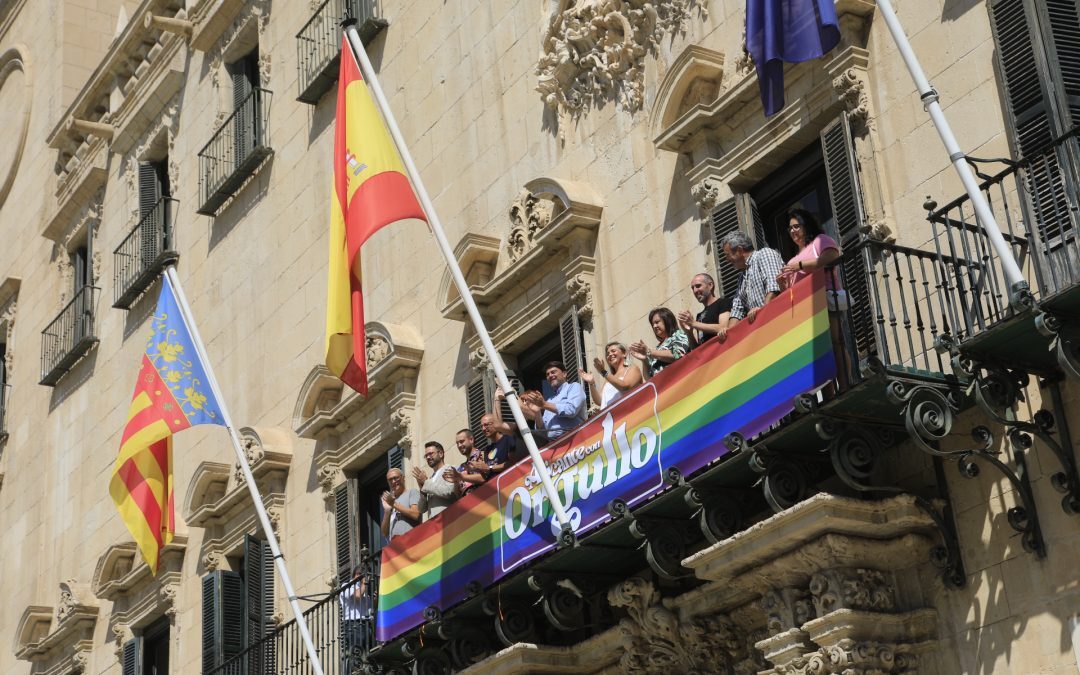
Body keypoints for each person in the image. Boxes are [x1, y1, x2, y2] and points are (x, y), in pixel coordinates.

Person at [777, 208, 848, 389]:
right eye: (790, 228)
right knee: (819, 353)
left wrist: (799, 266)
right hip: (806, 310)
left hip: (825, 300)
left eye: (796, 226)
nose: (793, 231)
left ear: (806, 226)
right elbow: (791, 293)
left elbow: (831, 256)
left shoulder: (821, 241)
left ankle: (846, 384)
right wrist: (782, 285)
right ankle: (830, 393)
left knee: (835, 343)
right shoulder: (794, 259)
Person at [718, 231, 784, 338]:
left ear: (739, 250)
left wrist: (762, 311)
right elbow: (737, 310)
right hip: (764, 330)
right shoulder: (742, 278)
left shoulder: (764, 254)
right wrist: (728, 331)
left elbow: (774, 288)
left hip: (779, 320)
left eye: (727, 255)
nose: (727, 260)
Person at [520, 361, 586, 443]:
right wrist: (537, 413)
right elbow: (544, 433)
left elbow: (571, 410)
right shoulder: (550, 400)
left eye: (553, 372)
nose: (550, 375)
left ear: (564, 374)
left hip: (576, 440)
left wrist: (544, 404)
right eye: (547, 374)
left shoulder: (574, 387)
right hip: (555, 446)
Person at [579, 341, 643, 409]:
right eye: (607, 354)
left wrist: (603, 372)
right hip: (613, 417)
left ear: (624, 353)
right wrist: (591, 383)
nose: (609, 354)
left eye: (613, 351)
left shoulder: (632, 368)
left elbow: (625, 386)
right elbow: (600, 401)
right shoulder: (609, 379)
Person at [630, 308, 690, 378]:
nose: (654, 326)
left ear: (667, 321)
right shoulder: (657, 349)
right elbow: (648, 378)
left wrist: (649, 351)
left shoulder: (678, 335)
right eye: (652, 324)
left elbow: (678, 354)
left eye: (657, 322)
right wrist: (645, 360)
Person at [677, 273, 732, 349]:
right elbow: (696, 349)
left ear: (710, 285)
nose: (695, 291)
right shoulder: (699, 316)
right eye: (692, 288)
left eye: (698, 286)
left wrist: (693, 323)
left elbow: (723, 327)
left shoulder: (723, 303)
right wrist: (689, 332)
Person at [412, 441, 461, 518]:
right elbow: (421, 509)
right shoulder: (430, 479)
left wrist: (425, 482)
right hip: (435, 525)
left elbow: (450, 492)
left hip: (451, 520)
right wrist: (422, 490)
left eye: (431, 454)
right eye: (426, 456)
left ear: (441, 454)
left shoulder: (451, 469)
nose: (428, 457)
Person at [341, 565, 372, 674]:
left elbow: (371, 608)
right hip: (354, 625)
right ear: (355, 575)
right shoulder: (347, 586)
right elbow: (357, 596)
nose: (362, 577)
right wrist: (364, 583)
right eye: (360, 574)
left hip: (366, 626)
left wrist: (376, 598)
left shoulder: (365, 594)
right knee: (356, 653)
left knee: (368, 655)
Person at [379, 468, 420, 541]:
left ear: (403, 478)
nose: (393, 482)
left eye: (395, 478)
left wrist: (393, 504)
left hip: (410, 541)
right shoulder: (390, 501)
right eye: (390, 480)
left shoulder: (412, 492)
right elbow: (384, 533)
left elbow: (416, 514)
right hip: (395, 546)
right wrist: (387, 511)